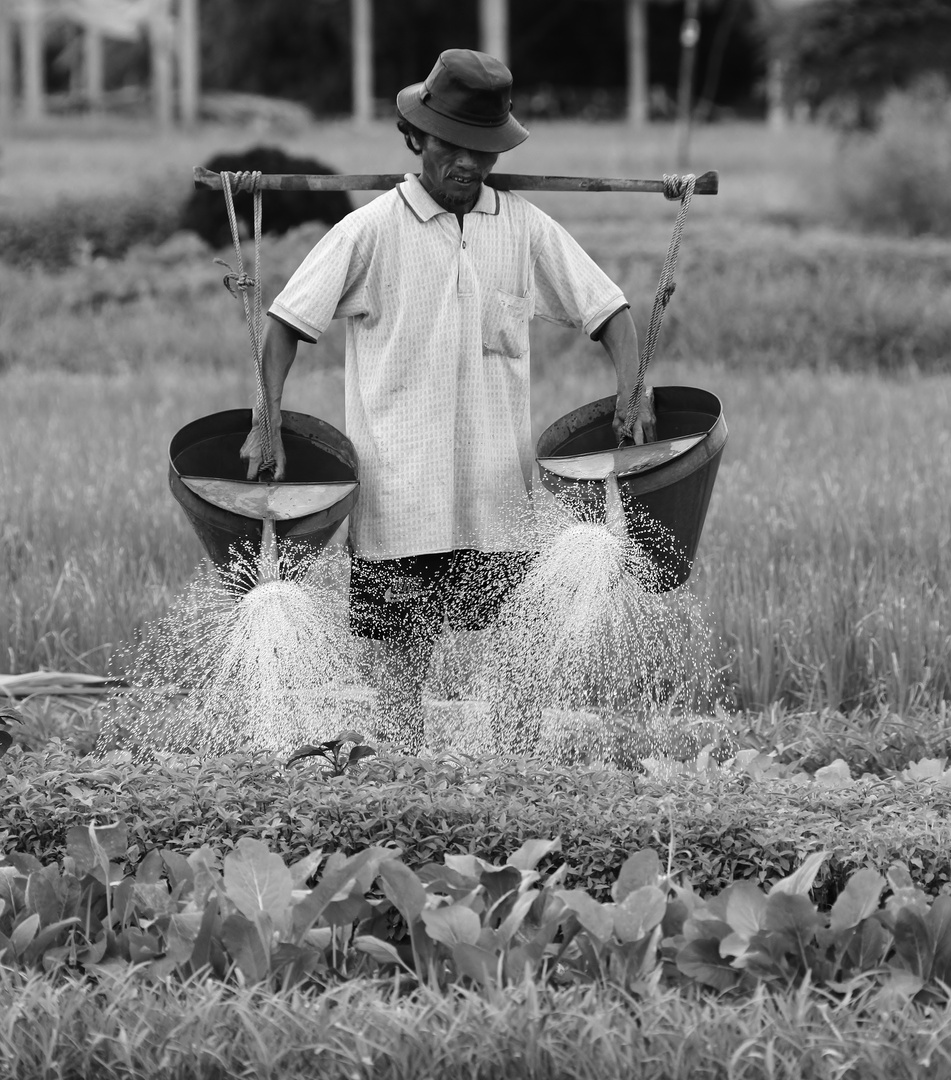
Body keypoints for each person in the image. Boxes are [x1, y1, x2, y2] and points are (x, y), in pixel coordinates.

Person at [240, 48, 655, 756]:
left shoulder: (520, 226)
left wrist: (632, 386)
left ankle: (511, 781)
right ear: (418, 140)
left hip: (498, 495)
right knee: (401, 666)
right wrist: (266, 421)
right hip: (401, 496)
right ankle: (406, 785)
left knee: (519, 652)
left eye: (483, 151)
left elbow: (608, 310)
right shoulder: (371, 231)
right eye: (451, 147)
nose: (466, 164)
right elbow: (284, 325)